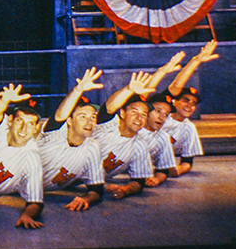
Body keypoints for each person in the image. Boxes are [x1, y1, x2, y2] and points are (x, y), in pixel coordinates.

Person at [37, 67, 104, 211]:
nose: (89, 122)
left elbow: (97, 190)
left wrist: (86, 198)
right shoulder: (55, 133)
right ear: (69, 121)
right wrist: (78, 90)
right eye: (82, 117)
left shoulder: (92, 147)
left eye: (93, 117)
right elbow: (60, 115)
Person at [0, 84, 44, 228]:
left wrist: (27, 215)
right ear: (10, 120)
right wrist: (4, 100)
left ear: (36, 128)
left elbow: (35, 201)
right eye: (19, 120)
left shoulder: (31, 157)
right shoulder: (0, 132)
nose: (24, 128)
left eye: (30, 124)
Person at [90, 72, 156, 200]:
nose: (139, 118)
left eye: (144, 114)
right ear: (123, 113)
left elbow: (139, 182)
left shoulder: (140, 146)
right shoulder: (109, 124)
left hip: (81, 185)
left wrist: (126, 189)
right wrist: (128, 89)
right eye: (134, 112)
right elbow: (109, 107)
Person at [160, 41, 218, 176]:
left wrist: (178, 170)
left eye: (193, 103)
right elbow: (176, 85)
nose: (189, 106)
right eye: (185, 101)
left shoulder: (188, 128)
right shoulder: (162, 112)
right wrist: (195, 61)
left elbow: (187, 162)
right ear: (174, 102)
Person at [138, 92, 178, 187]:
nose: (161, 118)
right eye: (157, 111)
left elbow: (163, 171)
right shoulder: (131, 129)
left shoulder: (163, 137)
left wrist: (156, 179)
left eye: (165, 114)